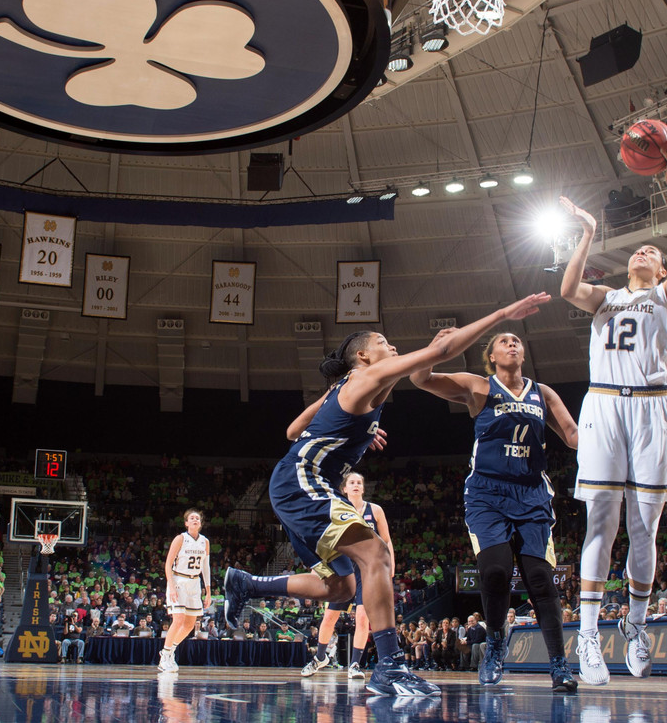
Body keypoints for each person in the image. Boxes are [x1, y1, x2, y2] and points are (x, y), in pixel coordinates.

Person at [222, 293, 551, 697]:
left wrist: (356, 428)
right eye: (383, 342)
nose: (391, 346)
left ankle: (247, 584)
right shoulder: (364, 377)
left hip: (302, 483)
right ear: (363, 355)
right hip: (301, 482)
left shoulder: (347, 385)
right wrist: (501, 314)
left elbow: (293, 431)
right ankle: (390, 666)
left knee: (340, 589)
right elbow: (442, 350)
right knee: (375, 553)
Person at [558, 132, 667, 685]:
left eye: (652, 253)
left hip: (654, 410)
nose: (645, 252)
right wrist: (587, 233)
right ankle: (588, 635)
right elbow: (569, 288)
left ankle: (635, 624)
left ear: (660, 270)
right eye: (639, 249)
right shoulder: (605, 296)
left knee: (644, 528)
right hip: (605, 407)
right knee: (600, 523)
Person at [410, 329, 579, 692]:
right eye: (504, 341)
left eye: (516, 340)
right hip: (487, 493)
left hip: (532, 494)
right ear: (492, 356)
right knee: (496, 572)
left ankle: (560, 665)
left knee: (541, 581)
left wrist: (610, 435)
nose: (512, 343)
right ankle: (497, 644)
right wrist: (437, 348)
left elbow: (572, 434)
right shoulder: (478, 387)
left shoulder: (543, 393)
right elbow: (419, 377)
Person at [301, 472, 393, 681]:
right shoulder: (335, 508)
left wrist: (390, 566)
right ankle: (320, 657)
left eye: (359, 482)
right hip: (342, 567)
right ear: (344, 488)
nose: (356, 485)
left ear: (363, 488)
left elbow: (386, 541)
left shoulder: (375, 510)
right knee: (329, 618)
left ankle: (354, 664)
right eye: (352, 482)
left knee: (362, 619)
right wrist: (318, 565)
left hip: (367, 570)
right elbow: (323, 539)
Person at [158, 509, 211, 673]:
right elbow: (168, 564)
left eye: (197, 518)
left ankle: (170, 649)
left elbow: (205, 567)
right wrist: (171, 585)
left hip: (195, 583)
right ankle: (164, 657)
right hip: (179, 580)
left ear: (200, 523)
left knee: (189, 625)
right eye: (191, 518)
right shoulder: (180, 539)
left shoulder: (205, 542)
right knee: (178, 619)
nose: (195, 520)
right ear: (186, 523)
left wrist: (208, 591)